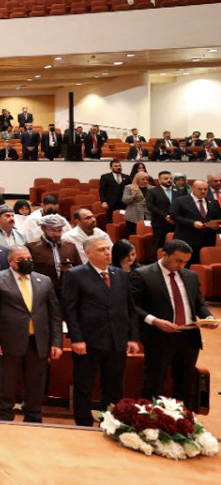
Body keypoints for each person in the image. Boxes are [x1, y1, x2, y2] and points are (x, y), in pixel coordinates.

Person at [62, 237, 140, 427]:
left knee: (114, 386)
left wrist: (132, 337)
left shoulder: (120, 274)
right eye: (101, 249)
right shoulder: (75, 274)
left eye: (108, 249)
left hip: (117, 339)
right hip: (88, 341)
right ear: (88, 253)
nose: (107, 253)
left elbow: (130, 309)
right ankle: (83, 422)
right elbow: (69, 310)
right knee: (84, 385)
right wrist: (76, 338)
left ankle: (110, 422)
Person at [131, 240, 217, 409]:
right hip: (159, 336)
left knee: (185, 383)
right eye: (178, 260)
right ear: (164, 254)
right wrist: (154, 320)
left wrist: (208, 317)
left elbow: (199, 304)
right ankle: (149, 422)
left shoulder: (190, 276)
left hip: (188, 336)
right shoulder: (143, 274)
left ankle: (184, 422)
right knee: (155, 381)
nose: (182, 265)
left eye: (185, 262)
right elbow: (132, 305)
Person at [0, 246, 63, 423]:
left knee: (36, 385)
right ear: (10, 261)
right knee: (7, 384)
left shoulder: (45, 281)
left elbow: (54, 315)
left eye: (28, 258)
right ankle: (4, 419)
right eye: (21, 259)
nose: (26, 261)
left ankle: (33, 419)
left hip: (38, 341)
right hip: (9, 341)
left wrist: (57, 342)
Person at [169, 179, 221, 264]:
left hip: (208, 240)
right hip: (187, 238)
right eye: (200, 189)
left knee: (204, 266)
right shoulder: (180, 201)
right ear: (193, 188)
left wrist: (216, 225)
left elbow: (218, 217)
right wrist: (192, 223)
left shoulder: (213, 202)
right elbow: (174, 216)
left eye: (205, 189)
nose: (203, 191)